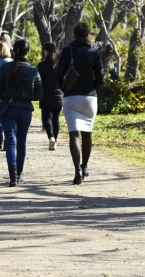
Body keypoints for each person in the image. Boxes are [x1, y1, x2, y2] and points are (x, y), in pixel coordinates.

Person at [56, 22, 105, 185]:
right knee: (87, 134)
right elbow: (101, 78)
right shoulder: (93, 52)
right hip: (89, 98)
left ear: (74, 35)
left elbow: (58, 75)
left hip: (71, 97)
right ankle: (85, 167)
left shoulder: (67, 51)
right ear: (88, 35)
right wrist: (92, 87)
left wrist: (65, 88)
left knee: (74, 135)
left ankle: (77, 169)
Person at [0, 39, 42, 186]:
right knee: (22, 141)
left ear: (14, 51)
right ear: (28, 52)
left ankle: (12, 175)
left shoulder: (5, 67)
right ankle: (20, 173)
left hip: (8, 108)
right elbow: (38, 94)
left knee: (10, 141)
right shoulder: (33, 70)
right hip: (25, 110)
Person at [37, 42, 64, 150]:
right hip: (59, 96)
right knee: (56, 118)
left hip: (45, 95)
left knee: (47, 117)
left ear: (45, 51)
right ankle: (55, 140)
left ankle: (51, 137)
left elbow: (39, 81)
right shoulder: (59, 64)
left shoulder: (42, 65)